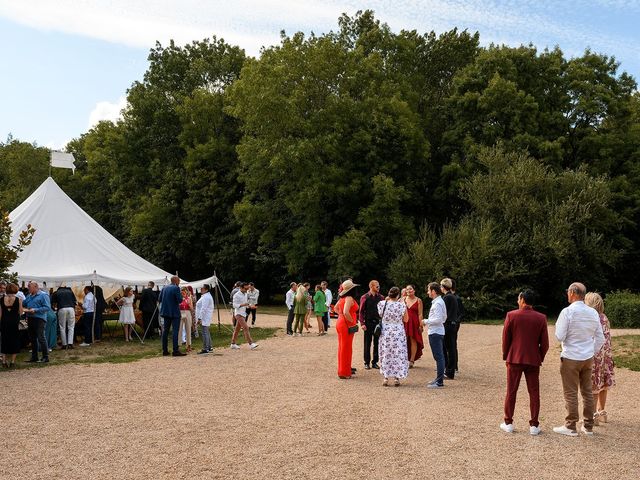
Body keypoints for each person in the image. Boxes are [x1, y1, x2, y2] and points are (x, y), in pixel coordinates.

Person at [553, 282, 605, 437]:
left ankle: (570, 426)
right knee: (587, 392)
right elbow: (600, 338)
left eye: (568, 292)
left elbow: (559, 336)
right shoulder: (593, 313)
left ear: (572, 293)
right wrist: (591, 351)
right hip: (587, 358)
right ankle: (588, 426)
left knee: (570, 392)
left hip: (570, 357)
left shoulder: (567, 312)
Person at [500, 290, 549, 435]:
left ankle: (508, 422)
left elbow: (506, 339)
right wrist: (539, 356)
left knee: (511, 390)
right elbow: (544, 343)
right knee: (534, 392)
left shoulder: (511, 315)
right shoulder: (541, 318)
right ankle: (534, 425)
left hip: (514, 358)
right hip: (533, 359)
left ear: (522, 300)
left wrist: (506, 356)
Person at [584, 292, 615, 426]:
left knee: (594, 386)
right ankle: (602, 412)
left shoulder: (591, 318)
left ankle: (593, 416)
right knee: (604, 384)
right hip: (606, 356)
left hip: (596, 355)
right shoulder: (604, 317)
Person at [377, 286, 409, 386]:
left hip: (386, 332)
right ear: (398, 295)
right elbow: (406, 319)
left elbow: (380, 316)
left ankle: (385, 378)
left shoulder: (382, 304)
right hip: (398, 332)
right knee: (397, 353)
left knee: (386, 352)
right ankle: (396, 378)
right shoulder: (401, 305)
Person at [423, 283, 446, 388]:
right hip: (437, 331)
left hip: (435, 332)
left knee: (439, 357)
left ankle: (439, 382)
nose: (427, 292)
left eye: (429, 290)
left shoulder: (437, 303)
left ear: (433, 291)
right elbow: (444, 317)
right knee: (438, 357)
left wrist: (425, 321)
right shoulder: (439, 302)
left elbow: (439, 319)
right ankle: (438, 379)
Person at [335, 279, 359, 379]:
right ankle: (344, 372)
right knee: (346, 348)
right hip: (346, 324)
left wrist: (341, 316)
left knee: (342, 347)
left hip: (340, 323)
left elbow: (336, 308)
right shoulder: (349, 298)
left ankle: (344, 369)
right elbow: (346, 312)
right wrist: (352, 322)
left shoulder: (342, 298)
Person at [23, 281, 51, 363]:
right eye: (28, 287)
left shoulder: (43, 295)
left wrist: (35, 310)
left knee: (41, 338)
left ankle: (45, 357)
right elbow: (24, 304)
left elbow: (47, 308)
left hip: (39, 319)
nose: (28, 288)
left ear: (36, 287)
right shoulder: (29, 296)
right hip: (30, 318)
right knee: (32, 338)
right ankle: (34, 357)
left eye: (30, 287)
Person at [359, 280, 384, 370]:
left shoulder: (381, 298)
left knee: (377, 343)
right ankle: (366, 362)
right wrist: (362, 323)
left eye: (379, 286)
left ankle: (375, 362)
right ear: (371, 287)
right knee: (367, 343)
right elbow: (361, 312)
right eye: (377, 286)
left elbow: (383, 312)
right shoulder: (364, 297)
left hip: (378, 323)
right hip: (368, 323)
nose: (378, 287)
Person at [160, 276, 186, 357]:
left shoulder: (164, 288)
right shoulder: (176, 288)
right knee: (175, 331)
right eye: (179, 281)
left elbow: (159, 298)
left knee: (165, 331)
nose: (179, 282)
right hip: (174, 313)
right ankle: (175, 350)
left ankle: (165, 350)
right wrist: (181, 296)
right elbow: (180, 300)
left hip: (165, 312)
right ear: (176, 281)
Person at [230, 282, 259, 350]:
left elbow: (246, 304)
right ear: (241, 288)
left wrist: (251, 306)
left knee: (237, 329)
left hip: (243, 313)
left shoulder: (245, 294)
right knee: (246, 327)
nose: (247, 290)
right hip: (238, 314)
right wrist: (243, 304)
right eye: (245, 288)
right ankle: (251, 343)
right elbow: (234, 305)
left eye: (247, 288)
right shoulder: (236, 295)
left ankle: (233, 343)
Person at [1, 283, 23, 368]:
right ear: (15, 289)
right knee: (15, 340)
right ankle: (12, 362)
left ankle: (4, 361)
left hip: (4, 322)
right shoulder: (18, 299)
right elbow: (20, 312)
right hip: (14, 322)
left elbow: (0, 313)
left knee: (4, 340)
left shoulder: (1, 299)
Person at [440, 278, 459, 380]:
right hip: (452, 324)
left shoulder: (447, 298)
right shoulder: (452, 297)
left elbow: (443, 312)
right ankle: (449, 369)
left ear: (443, 287)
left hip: (448, 325)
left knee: (449, 349)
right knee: (450, 348)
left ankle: (450, 371)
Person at [403, 284, 424, 368]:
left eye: (410, 289)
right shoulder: (402, 299)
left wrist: (421, 325)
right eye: (407, 289)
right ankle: (403, 359)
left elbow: (420, 314)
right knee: (403, 341)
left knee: (413, 340)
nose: (408, 291)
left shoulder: (418, 300)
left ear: (414, 290)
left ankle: (411, 360)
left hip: (414, 323)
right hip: (404, 322)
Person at [51, 284, 77, 349]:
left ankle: (64, 344)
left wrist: (54, 308)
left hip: (62, 308)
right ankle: (70, 343)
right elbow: (75, 301)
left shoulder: (57, 292)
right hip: (71, 309)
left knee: (62, 327)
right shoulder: (70, 291)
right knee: (71, 327)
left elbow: (53, 303)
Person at [195, 284, 215, 354]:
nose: (201, 289)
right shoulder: (205, 296)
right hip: (205, 316)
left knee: (204, 332)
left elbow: (203, 308)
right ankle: (209, 347)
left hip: (204, 317)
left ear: (206, 289)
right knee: (206, 332)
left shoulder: (206, 297)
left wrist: (200, 318)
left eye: (202, 288)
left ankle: (206, 348)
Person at [451, 279, 464, 372]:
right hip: (448, 323)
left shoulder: (457, 298)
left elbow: (461, 312)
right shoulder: (447, 297)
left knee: (452, 344)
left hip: (454, 324)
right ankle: (448, 365)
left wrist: (456, 321)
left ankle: (454, 366)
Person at [179, 287, 193, 352]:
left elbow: (192, 309)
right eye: (182, 292)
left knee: (188, 329)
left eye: (184, 292)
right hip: (180, 312)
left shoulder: (189, 298)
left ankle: (188, 345)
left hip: (187, 312)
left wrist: (188, 304)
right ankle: (178, 345)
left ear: (186, 292)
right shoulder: (179, 298)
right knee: (179, 329)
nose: (183, 293)